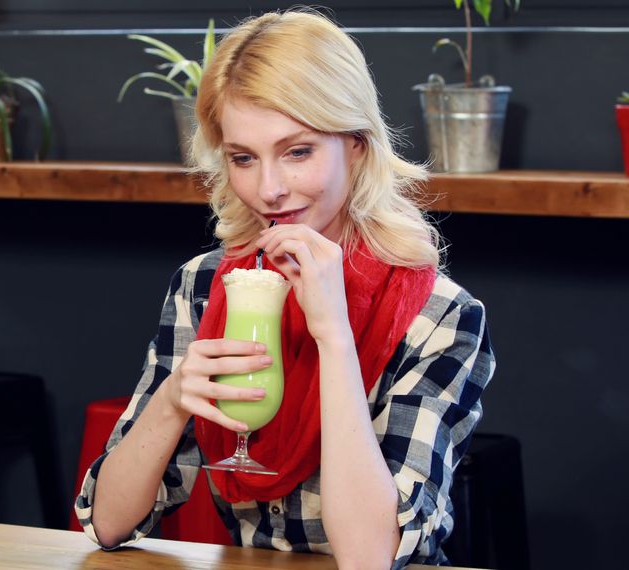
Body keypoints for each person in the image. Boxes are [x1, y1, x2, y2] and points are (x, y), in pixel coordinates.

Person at [74, 8, 494, 570]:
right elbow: (108, 523)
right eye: (243, 158)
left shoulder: (440, 317)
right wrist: (175, 397)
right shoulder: (206, 286)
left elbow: (370, 559)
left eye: (298, 152)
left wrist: (334, 336)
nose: (269, 189)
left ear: (357, 144)